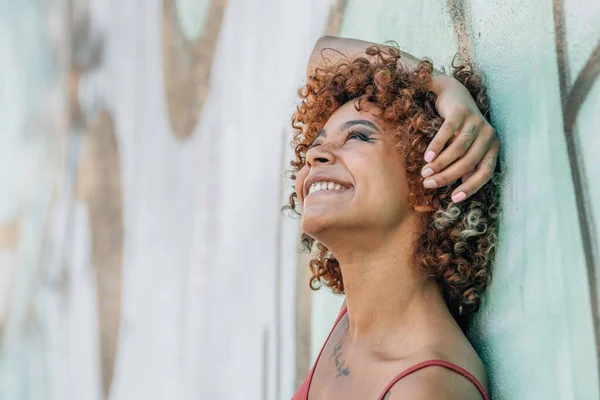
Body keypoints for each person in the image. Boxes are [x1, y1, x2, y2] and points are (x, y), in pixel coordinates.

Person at [288, 36, 502, 400]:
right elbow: (321, 57)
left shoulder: (424, 387)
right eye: (317, 143)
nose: (315, 155)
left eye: (356, 136)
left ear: (430, 181)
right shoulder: (360, 325)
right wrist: (441, 85)